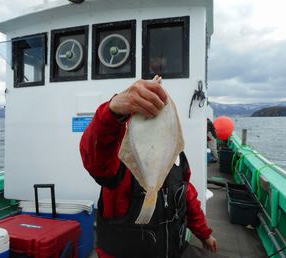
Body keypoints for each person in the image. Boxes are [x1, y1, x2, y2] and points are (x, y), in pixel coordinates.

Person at [80, 79, 218, 258]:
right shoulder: (117, 157)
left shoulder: (176, 156)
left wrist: (204, 233)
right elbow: (95, 157)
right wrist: (112, 111)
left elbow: (186, 195)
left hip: (173, 250)